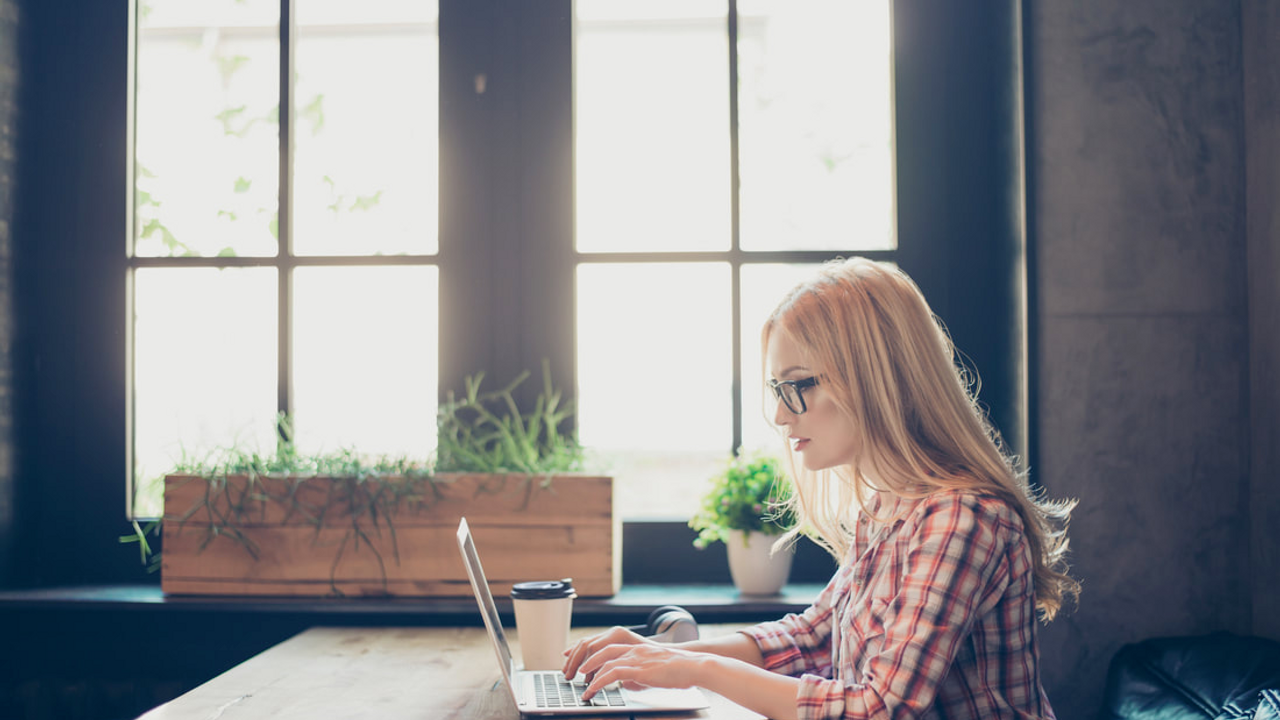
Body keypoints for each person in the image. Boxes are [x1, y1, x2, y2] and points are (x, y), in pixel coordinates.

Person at [562, 257, 1079, 720]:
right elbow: (815, 635)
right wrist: (662, 655)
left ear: (873, 378)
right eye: (776, 390)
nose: (781, 415)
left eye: (798, 386)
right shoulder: (887, 506)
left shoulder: (962, 519)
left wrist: (696, 672)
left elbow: (877, 710)